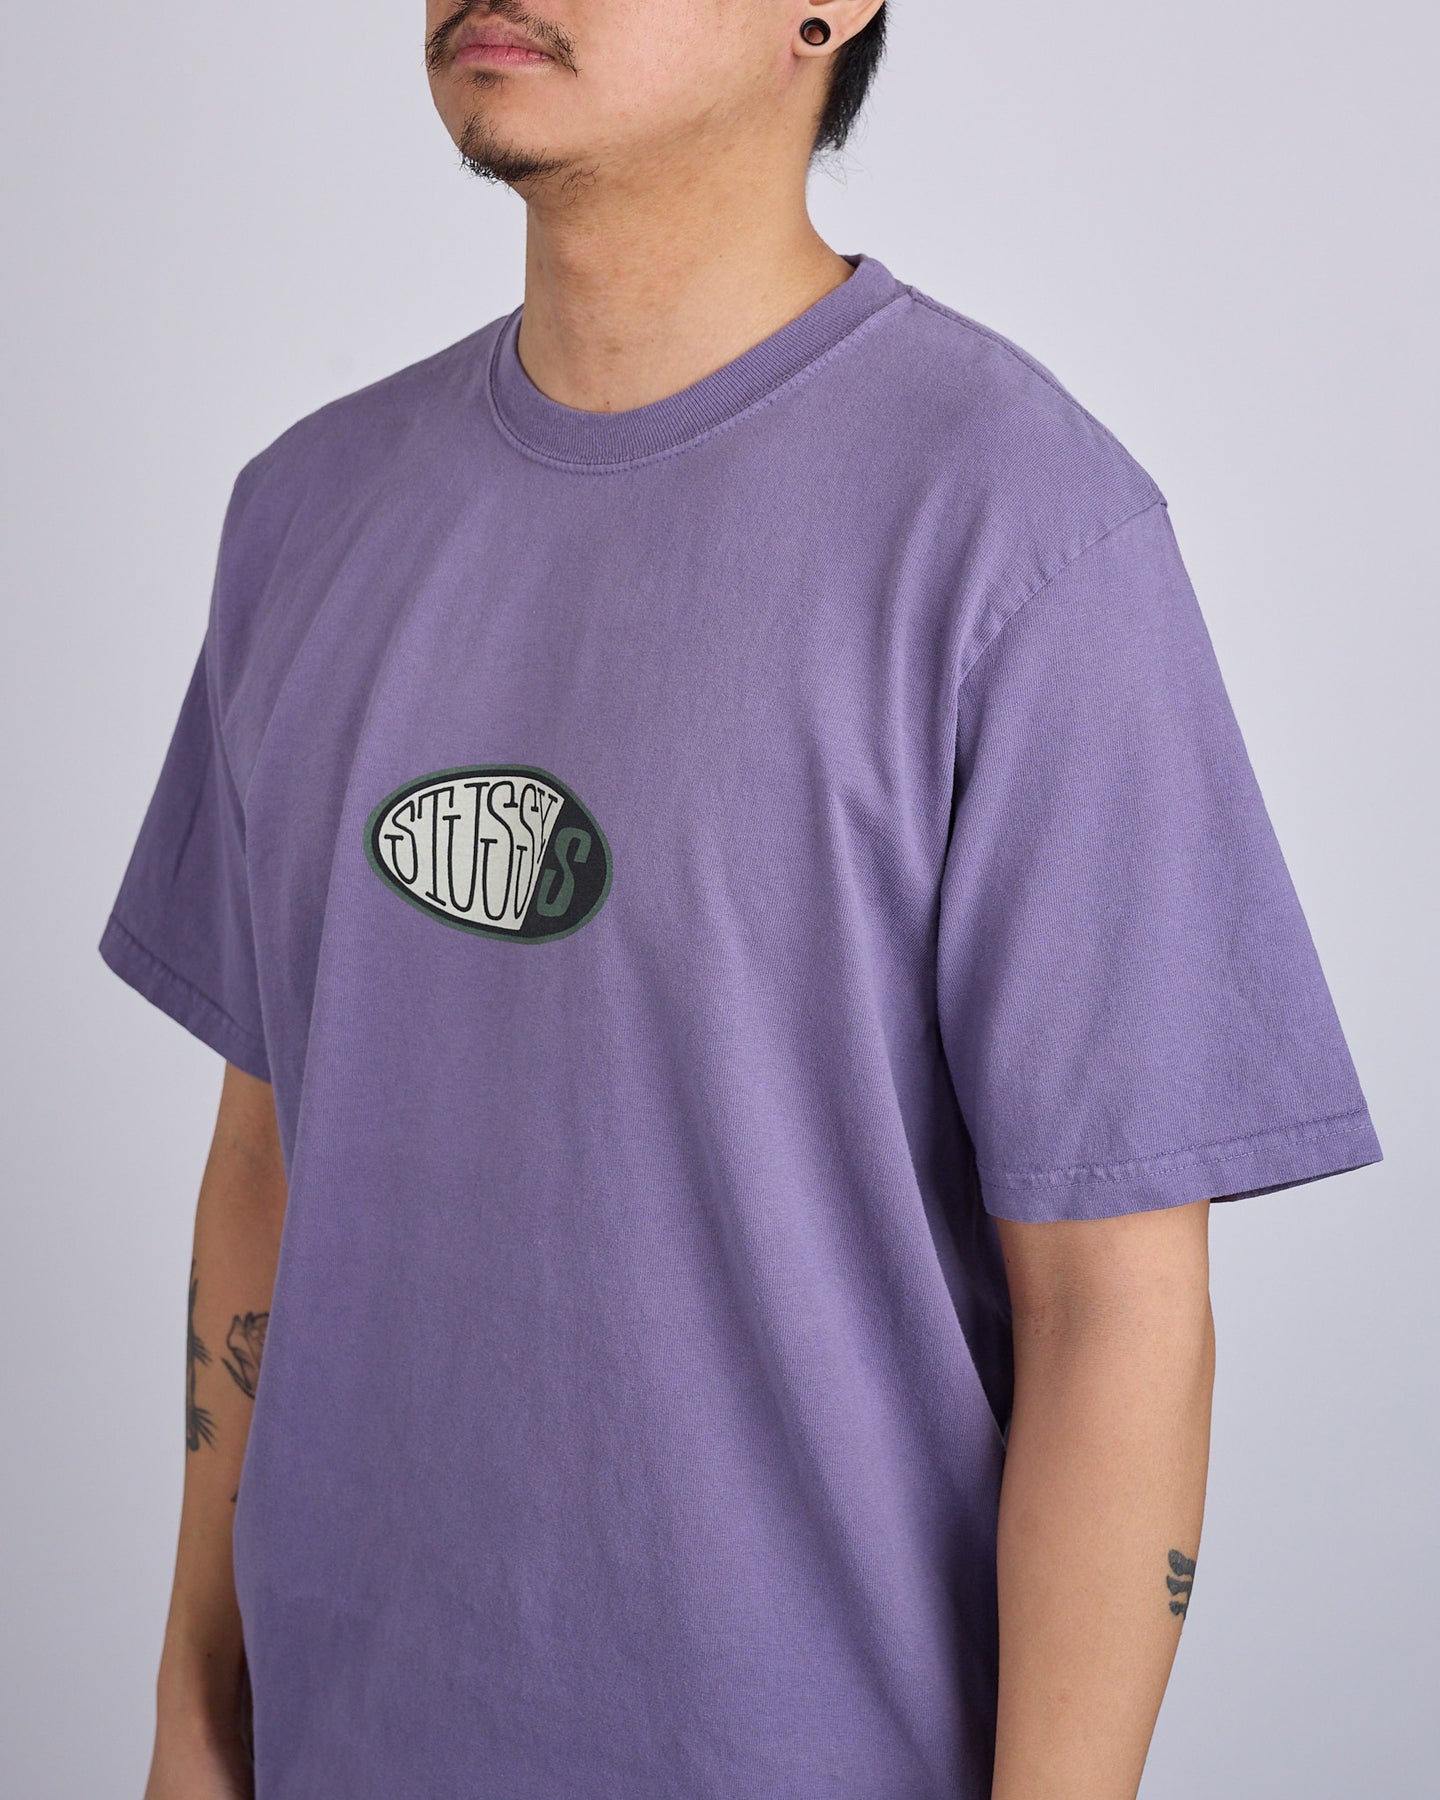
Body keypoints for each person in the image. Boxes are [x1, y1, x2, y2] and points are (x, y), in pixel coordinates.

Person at [100, 3, 1384, 1796]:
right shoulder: (302, 516)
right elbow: (267, 1149)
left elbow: (1116, 1313)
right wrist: (194, 1712)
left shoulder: (1025, 536)